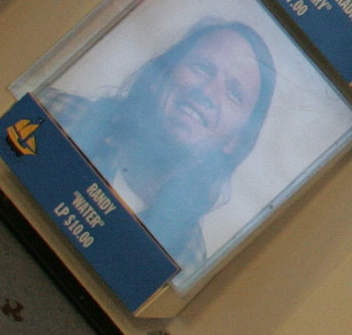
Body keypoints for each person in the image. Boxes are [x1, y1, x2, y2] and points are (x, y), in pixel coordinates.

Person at [47, 19, 278, 268]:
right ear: (161, 75)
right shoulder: (58, 117)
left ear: (234, 141)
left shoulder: (185, 258)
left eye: (234, 93)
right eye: (201, 67)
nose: (208, 92)